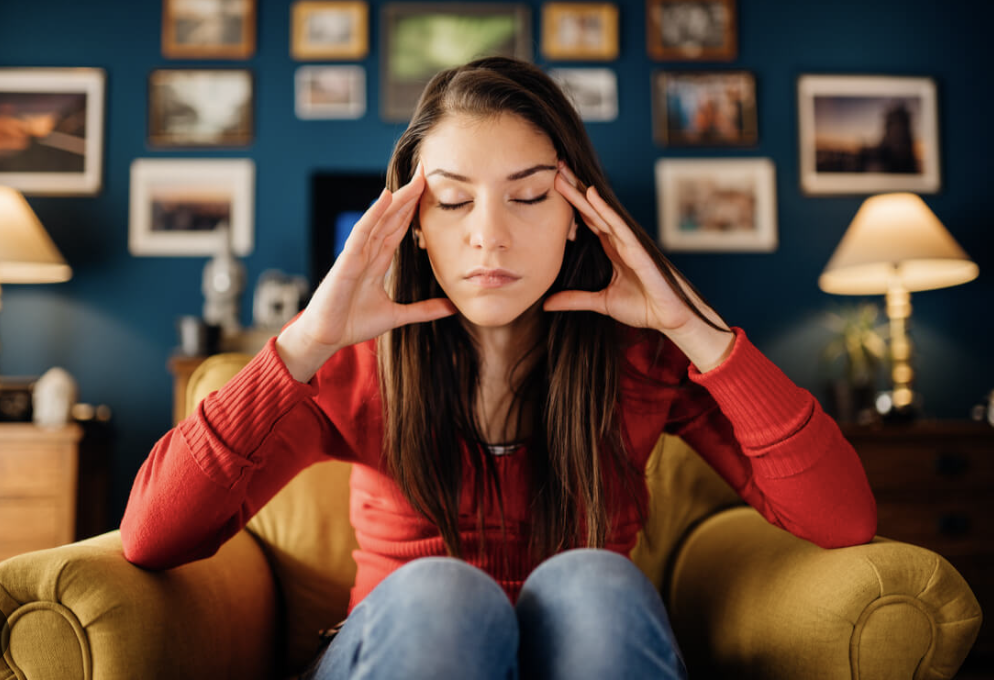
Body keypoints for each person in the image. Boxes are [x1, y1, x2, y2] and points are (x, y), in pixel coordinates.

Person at [121, 57, 877, 679]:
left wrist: (694, 328)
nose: (490, 236)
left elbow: (843, 519)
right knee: (443, 594)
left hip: (591, 648)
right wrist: (305, 342)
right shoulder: (350, 367)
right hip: (400, 651)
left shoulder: (644, 360)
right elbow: (152, 536)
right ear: (414, 225)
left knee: (594, 583)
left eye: (529, 196)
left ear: (578, 213)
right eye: (453, 201)